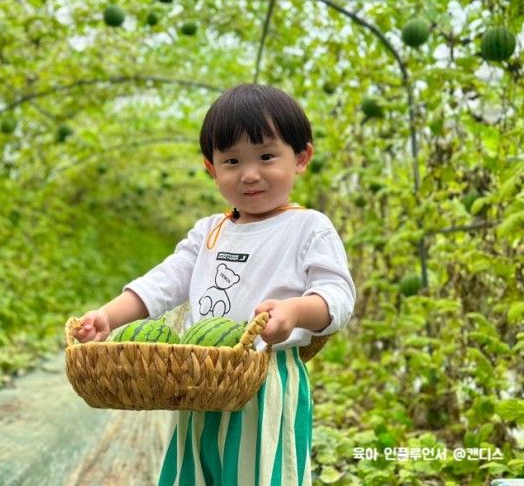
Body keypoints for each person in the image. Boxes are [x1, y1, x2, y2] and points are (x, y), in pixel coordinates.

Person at [73, 83, 356, 486]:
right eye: (232, 161)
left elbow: (337, 297)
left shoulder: (308, 227)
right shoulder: (210, 231)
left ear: (301, 157)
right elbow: (164, 282)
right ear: (212, 168)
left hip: (264, 383)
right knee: (196, 471)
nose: (250, 174)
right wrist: (107, 316)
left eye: (266, 156)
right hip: (199, 378)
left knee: (258, 473)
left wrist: (294, 312)